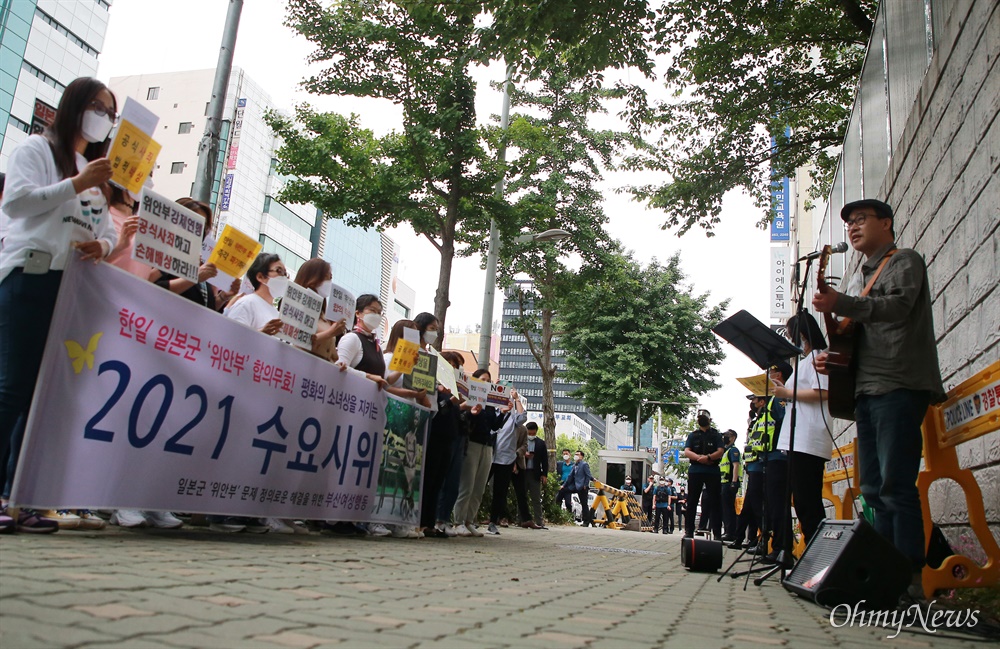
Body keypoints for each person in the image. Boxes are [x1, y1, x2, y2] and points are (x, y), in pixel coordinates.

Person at [0, 77, 121, 534]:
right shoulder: (37, 150)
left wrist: (102, 248)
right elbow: (16, 203)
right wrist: (75, 183)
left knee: (37, 396)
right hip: (28, 276)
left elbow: (106, 230)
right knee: (12, 389)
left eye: (109, 113)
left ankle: (22, 496)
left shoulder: (88, 170)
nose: (103, 118)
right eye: (97, 107)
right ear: (74, 106)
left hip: (67, 288)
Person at [813, 198, 944, 591]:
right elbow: (855, 333)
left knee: (896, 485)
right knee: (870, 487)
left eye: (861, 219)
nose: (853, 227)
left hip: (899, 385)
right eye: (849, 222)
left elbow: (899, 307)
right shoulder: (857, 277)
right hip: (866, 391)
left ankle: (910, 578)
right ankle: (884, 576)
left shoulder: (905, 261)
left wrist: (844, 303)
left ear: (886, 223)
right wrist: (833, 358)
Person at [769, 312, 831, 547]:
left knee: (809, 504)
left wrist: (787, 393)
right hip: (798, 439)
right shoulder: (805, 363)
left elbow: (823, 393)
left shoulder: (818, 358)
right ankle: (814, 557)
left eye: (789, 333)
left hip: (808, 440)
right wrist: (785, 390)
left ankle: (819, 559)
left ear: (801, 335)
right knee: (803, 503)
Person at [452, 369, 506, 537]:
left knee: (479, 487)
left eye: (488, 380)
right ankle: (457, 521)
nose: (486, 382)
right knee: (466, 485)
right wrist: (471, 411)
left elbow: (494, 426)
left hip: (487, 446)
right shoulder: (469, 399)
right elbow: (465, 419)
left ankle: (469, 521)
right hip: (472, 443)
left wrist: (503, 413)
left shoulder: (490, 403)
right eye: (482, 379)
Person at [486, 389, 527, 535]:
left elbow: (522, 418)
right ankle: (468, 519)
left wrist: (517, 399)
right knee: (478, 487)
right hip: (488, 455)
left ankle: (493, 522)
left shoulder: (513, 417)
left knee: (500, 492)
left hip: (506, 459)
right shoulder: (491, 412)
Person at [683, 413, 724, 539]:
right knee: (692, 502)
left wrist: (709, 457)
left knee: (715, 503)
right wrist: (698, 458)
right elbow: (687, 451)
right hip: (696, 470)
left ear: (710, 419)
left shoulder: (716, 435)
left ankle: (717, 534)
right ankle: (689, 531)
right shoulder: (693, 435)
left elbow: (721, 451)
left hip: (712, 471)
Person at [522, 422, 549, 529]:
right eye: (529, 433)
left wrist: (544, 474)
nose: (531, 435)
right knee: (522, 497)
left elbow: (545, 461)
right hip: (523, 471)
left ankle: (539, 521)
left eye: (533, 433)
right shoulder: (522, 441)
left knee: (536, 498)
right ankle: (521, 520)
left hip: (535, 473)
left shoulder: (541, 444)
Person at [560, 450, 595, 527]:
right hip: (576, 486)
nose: (576, 456)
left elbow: (588, 475)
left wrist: (585, 485)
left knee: (584, 504)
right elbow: (570, 477)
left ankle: (586, 521)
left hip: (583, 487)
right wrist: (564, 486)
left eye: (578, 454)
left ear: (581, 457)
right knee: (564, 491)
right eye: (575, 454)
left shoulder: (584, 464)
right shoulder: (575, 465)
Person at [719, 430, 742, 542]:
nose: (725, 437)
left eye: (727, 435)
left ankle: (730, 533)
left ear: (733, 437)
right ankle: (728, 531)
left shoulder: (733, 450)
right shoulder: (725, 451)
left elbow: (736, 465)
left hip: (729, 483)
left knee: (728, 509)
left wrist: (734, 481)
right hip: (724, 483)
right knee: (724, 509)